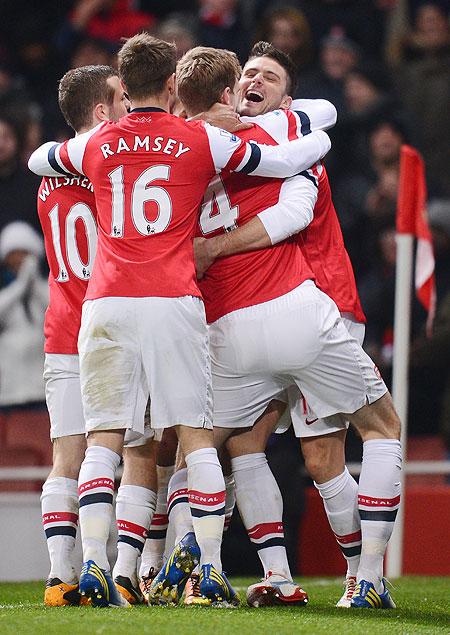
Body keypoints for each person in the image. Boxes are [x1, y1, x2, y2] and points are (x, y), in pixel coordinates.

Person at [28, 33, 331, 608]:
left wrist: (95, 138)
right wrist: (300, 130)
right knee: (195, 438)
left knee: (103, 441)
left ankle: (91, 570)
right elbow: (284, 160)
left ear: (125, 82)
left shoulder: (95, 144)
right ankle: (210, 569)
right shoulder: (201, 138)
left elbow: (39, 158)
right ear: (171, 85)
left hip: (105, 303)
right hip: (172, 298)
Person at [177, 42, 402, 610]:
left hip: (319, 302)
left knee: (315, 458)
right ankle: (281, 575)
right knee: (251, 445)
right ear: (230, 91)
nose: (255, 81)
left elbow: (300, 196)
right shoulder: (240, 147)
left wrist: (211, 248)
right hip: (284, 315)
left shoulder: (274, 140)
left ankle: (357, 573)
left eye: (269, 77)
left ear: (286, 100)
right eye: (247, 73)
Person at [36, 64, 160, 608]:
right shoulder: (111, 168)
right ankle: (125, 572)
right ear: (102, 112)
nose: (131, 104)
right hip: (114, 326)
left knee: (66, 455)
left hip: (62, 329)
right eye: (121, 97)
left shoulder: (48, 175)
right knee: (137, 449)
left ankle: (61, 578)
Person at [0, 221, 48, 409]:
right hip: (8, 394)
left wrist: (33, 282)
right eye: (14, 256)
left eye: (24, 254)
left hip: (41, 391)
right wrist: (20, 286)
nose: (19, 261)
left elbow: (59, 315)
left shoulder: (45, 291)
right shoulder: (7, 295)